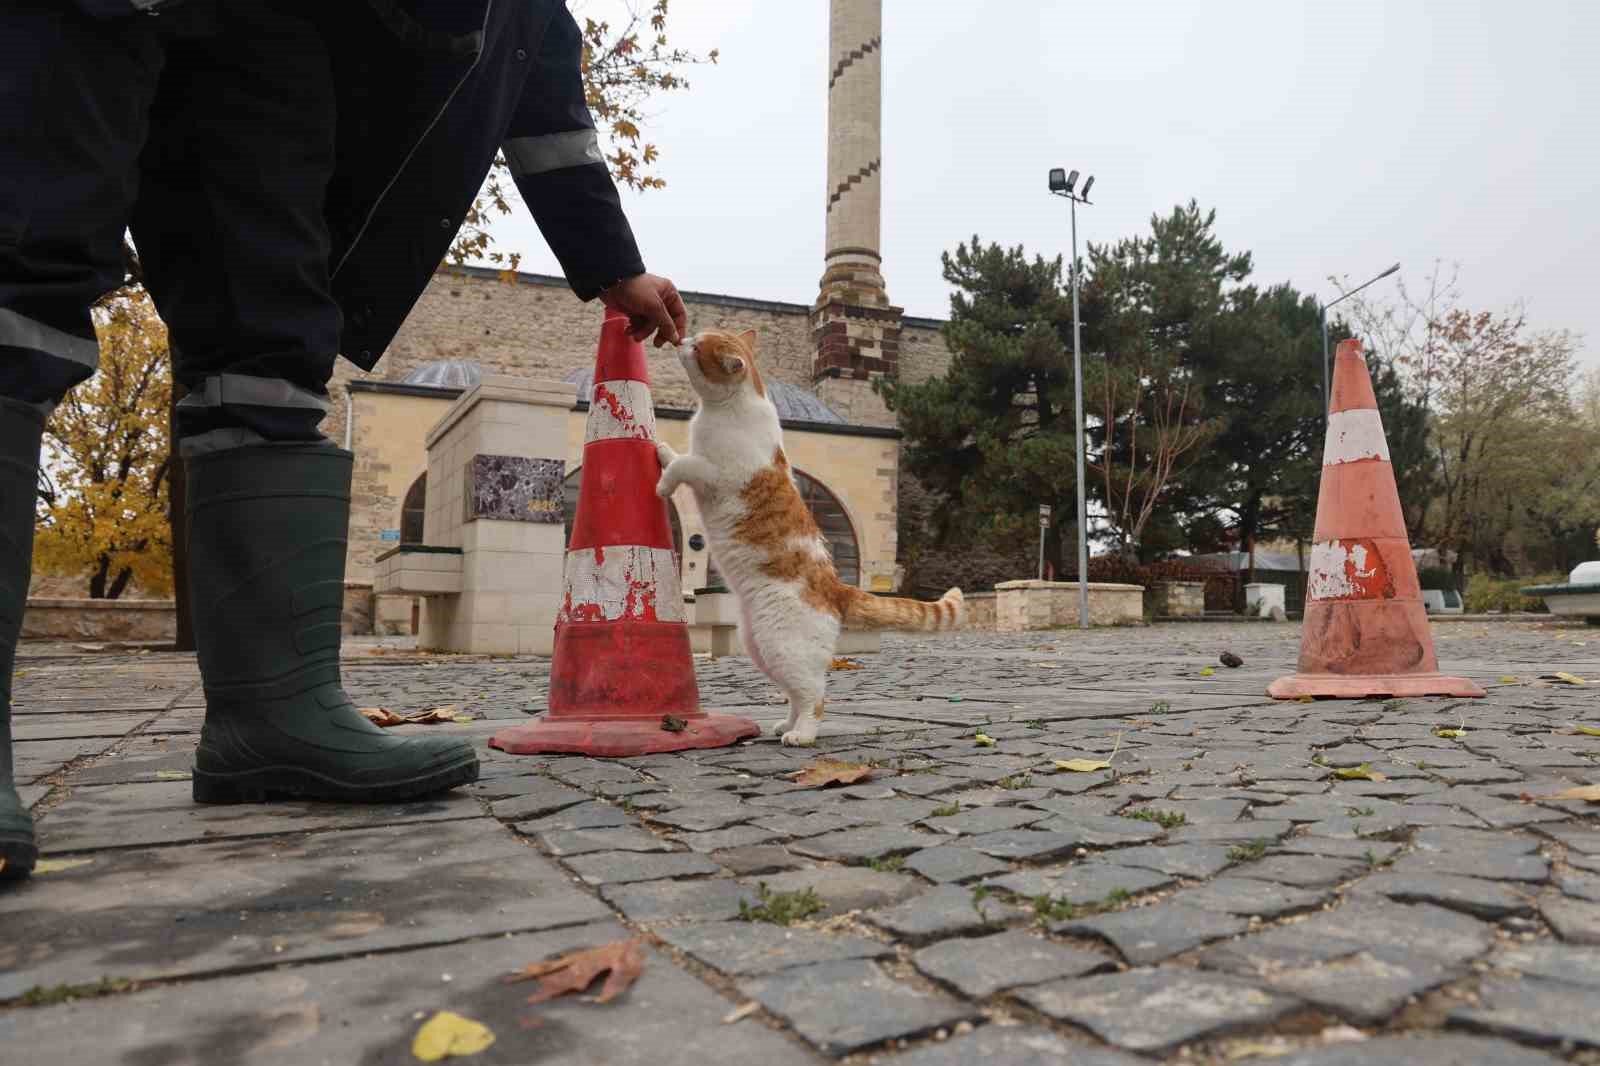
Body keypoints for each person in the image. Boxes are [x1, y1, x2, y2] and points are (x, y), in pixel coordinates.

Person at [0, 0, 689, 880]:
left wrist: (612, 264)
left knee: (269, 335)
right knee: (23, 241)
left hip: (274, 31)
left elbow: (547, 102)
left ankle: (270, 717)